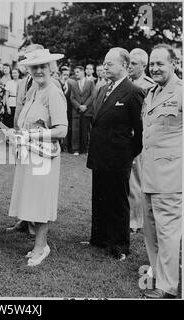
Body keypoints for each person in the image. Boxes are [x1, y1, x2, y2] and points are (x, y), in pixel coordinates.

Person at [8, 48, 67, 266]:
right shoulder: (33, 90)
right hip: (29, 154)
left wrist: (33, 134)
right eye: (35, 67)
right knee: (31, 197)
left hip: (44, 156)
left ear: (51, 67)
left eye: (43, 66)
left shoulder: (53, 91)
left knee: (41, 200)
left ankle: (41, 246)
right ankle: (38, 244)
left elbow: (62, 130)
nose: (39, 70)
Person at [85, 47, 145, 261]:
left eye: (110, 63)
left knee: (118, 201)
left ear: (124, 66)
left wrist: (129, 153)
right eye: (105, 63)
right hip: (99, 154)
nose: (105, 67)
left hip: (119, 157)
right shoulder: (102, 89)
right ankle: (99, 238)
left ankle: (119, 245)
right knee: (99, 198)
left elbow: (140, 130)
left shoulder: (133, 92)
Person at [141, 44, 182, 299]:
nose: (154, 68)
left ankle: (167, 287)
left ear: (173, 64)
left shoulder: (180, 92)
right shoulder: (151, 92)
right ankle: (157, 272)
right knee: (151, 229)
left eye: (160, 64)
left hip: (170, 175)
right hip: (149, 174)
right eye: (152, 64)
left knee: (167, 231)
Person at [127, 48, 155, 234]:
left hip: (139, 137)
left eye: (134, 64)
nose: (130, 66)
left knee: (136, 180)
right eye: (129, 63)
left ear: (144, 66)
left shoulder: (149, 85)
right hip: (123, 137)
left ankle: (135, 221)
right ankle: (126, 216)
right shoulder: (125, 82)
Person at [70, 66, 95, 155]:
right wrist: (79, 106)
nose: (76, 74)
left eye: (77, 72)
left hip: (87, 110)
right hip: (77, 111)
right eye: (75, 72)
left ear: (82, 72)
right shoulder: (74, 84)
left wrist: (85, 105)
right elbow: (72, 98)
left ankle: (86, 149)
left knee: (86, 130)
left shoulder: (90, 83)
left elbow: (92, 95)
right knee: (76, 130)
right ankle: (75, 149)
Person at [59, 66, 75, 152]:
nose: (66, 76)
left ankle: (68, 146)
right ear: (61, 75)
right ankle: (60, 146)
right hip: (59, 109)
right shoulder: (58, 83)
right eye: (64, 74)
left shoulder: (71, 84)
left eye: (67, 75)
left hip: (69, 109)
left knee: (69, 128)